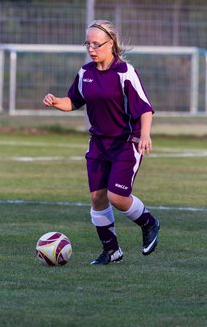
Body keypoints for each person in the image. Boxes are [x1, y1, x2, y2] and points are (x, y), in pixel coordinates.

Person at [43, 19, 160, 265]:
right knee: (98, 198)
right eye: (88, 43)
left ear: (111, 44)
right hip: (98, 144)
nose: (91, 48)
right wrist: (56, 101)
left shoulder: (124, 72)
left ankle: (149, 223)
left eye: (97, 44)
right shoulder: (85, 72)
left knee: (117, 197)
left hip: (126, 143)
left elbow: (145, 108)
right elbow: (73, 101)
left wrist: (146, 134)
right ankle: (112, 251)